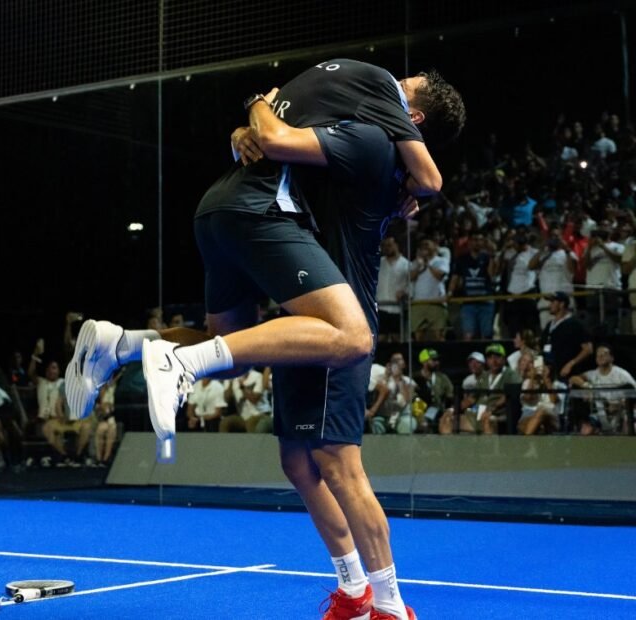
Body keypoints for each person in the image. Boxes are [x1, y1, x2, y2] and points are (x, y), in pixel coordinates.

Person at [68, 59, 464, 620]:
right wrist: (247, 134)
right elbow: (284, 146)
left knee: (338, 464)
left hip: (339, 323)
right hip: (301, 316)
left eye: (404, 89)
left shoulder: (369, 139)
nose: (390, 84)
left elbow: (419, 175)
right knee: (298, 464)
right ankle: (352, 592)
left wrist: (259, 109)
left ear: (410, 116)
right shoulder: (353, 147)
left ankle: (391, 606)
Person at [568, 344, 636, 435]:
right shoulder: (592, 374)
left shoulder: (622, 374)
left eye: (604, 354)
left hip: (621, 415)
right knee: (585, 430)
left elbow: (633, 393)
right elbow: (573, 379)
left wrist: (620, 405)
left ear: (611, 358)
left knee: (629, 429)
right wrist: (588, 387)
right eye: (598, 355)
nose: (600, 357)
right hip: (599, 417)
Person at [448, 231, 498, 340]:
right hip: (468, 302)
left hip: (486, 301)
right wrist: (449, 292)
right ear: (469, 242)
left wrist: (492, 256)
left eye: (480, 240)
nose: (477, 243)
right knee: (468, 334)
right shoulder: (462, 259)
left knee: (486, 334)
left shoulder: (487, 258)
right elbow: (455, 278)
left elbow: (492, 275)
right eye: (475, 240)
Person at [539, 291, 593, 381]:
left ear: (562, 304)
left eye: (553, 302)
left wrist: (571, 363)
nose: (550, 305)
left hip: (566, 373)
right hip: (550, 372)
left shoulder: (574, 324)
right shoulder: (549, 325)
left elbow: (588, 349)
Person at [375, 236, 409, 342]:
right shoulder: (378, 263)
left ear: (397, 246)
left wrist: (405, 292)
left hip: (397, 308)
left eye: (389, 245)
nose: (387, 248)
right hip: (381, 307)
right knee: (380, 338)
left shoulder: (406, 264)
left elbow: (411, 284)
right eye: (384, 246)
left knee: (397, 338)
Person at [411, 348, 454, 433]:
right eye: (433, 360)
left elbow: (451, 396)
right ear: (424, 362)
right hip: (419, 411)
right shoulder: (415, 378)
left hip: (439, 411)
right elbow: (412, 397)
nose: (437, 362)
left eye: (437, 360)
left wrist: (449, 410)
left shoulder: (442, 378)